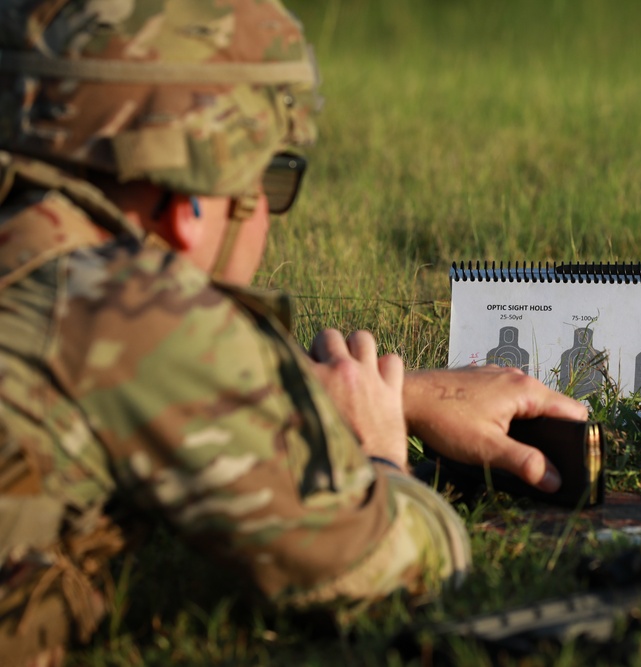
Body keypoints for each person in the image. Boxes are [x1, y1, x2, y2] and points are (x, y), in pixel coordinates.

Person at [0, 0, 588, 664]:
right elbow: (391, 565)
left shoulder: (44, 258)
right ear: (190, 206)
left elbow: (147, 396)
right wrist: (378, 452)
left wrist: (403, 394)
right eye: (271, 182)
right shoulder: (128, 304)